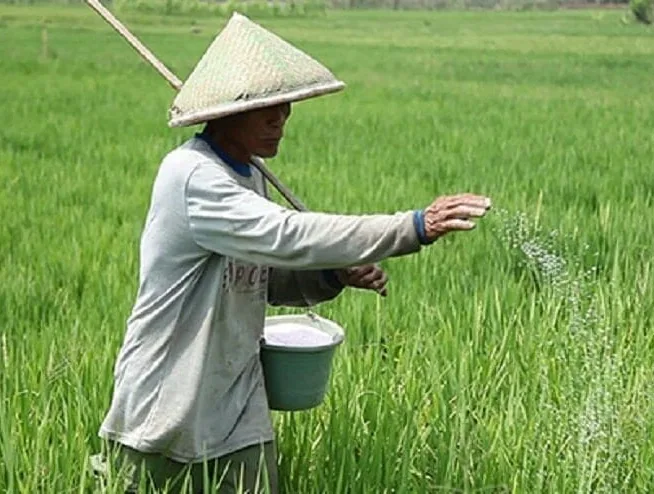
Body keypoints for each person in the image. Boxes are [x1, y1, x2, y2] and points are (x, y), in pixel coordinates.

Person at [90, 12, 491, 494]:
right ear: (226, 110)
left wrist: (331, 277)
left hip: (236, 403)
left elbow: (259, 275)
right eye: (268, 107)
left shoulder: (248, 174)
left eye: (286, 105)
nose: (281, 119)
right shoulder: (193, 177)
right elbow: (288, 235)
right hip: (167, 407)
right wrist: (414, 226)